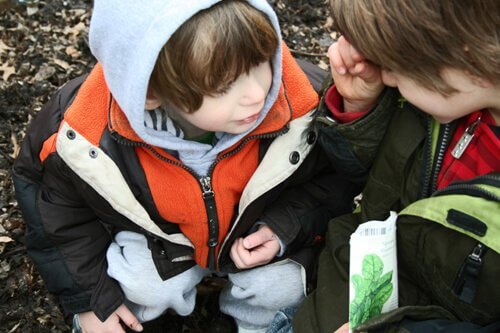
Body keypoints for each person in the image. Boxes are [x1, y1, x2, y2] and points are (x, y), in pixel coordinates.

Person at [12, 1, 362, 332]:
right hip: (162, 241)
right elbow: (55, 212)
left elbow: (335, 179)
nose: (257, 93)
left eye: (262, 62)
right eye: (224, 85)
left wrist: (284, 228)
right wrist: (89, 303)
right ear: (150, 92)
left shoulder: (305, 105)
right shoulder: (82, 136)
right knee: (140, 286)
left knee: (282, 287)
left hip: (257, 235)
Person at [267, 0, 500, 332]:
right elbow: (367, 177)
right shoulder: (446, 98)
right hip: (341, 288)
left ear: (468, 58)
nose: (385, 75)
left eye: (394, 64)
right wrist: (361, 108)